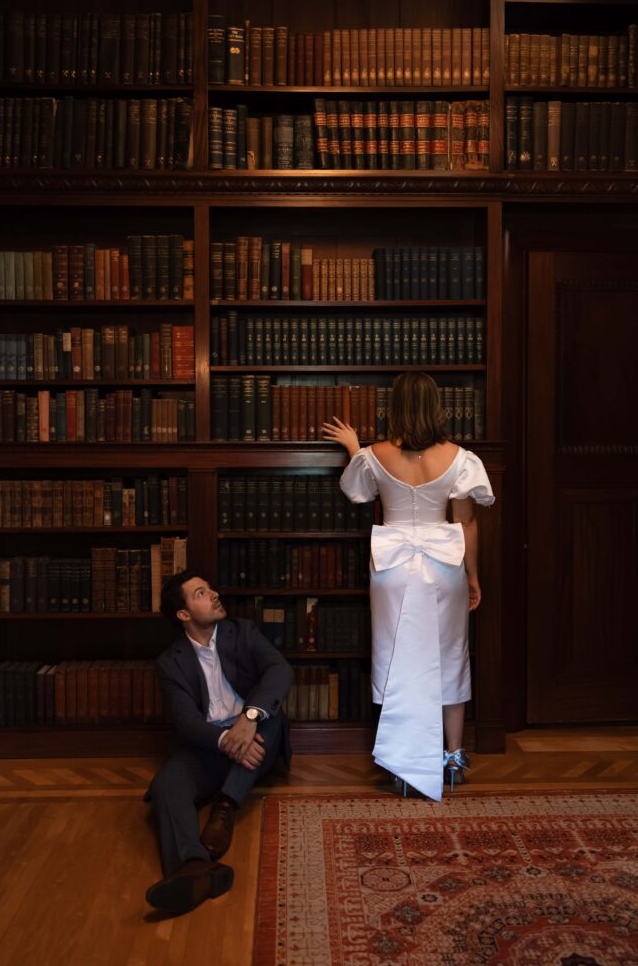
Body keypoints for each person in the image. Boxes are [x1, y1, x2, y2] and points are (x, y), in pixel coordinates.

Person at [322, 372, 494, 801]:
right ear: (437, 405)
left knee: (393, 653)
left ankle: (400, 762)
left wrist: (353, 448)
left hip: (391, 566)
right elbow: (466, 522)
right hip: (444, 563)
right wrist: (472, 575)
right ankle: (452, 755)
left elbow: (359, 494)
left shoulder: (374, 456)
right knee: (451, 652)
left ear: (393, 407)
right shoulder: (459, 458)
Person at [145, 570, 294, 914]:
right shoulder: (170, 663)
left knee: (271, 720)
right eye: (200, 593)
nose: (213, 594)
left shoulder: (242, 632)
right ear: (184, 614)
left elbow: (280, 671)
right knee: (167, 783)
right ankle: (195, 868)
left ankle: (225, 806)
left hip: (256, 735)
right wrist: (227, 737)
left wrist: (249, 717)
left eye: (210, 588)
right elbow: (186, 722)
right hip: (210, 745)